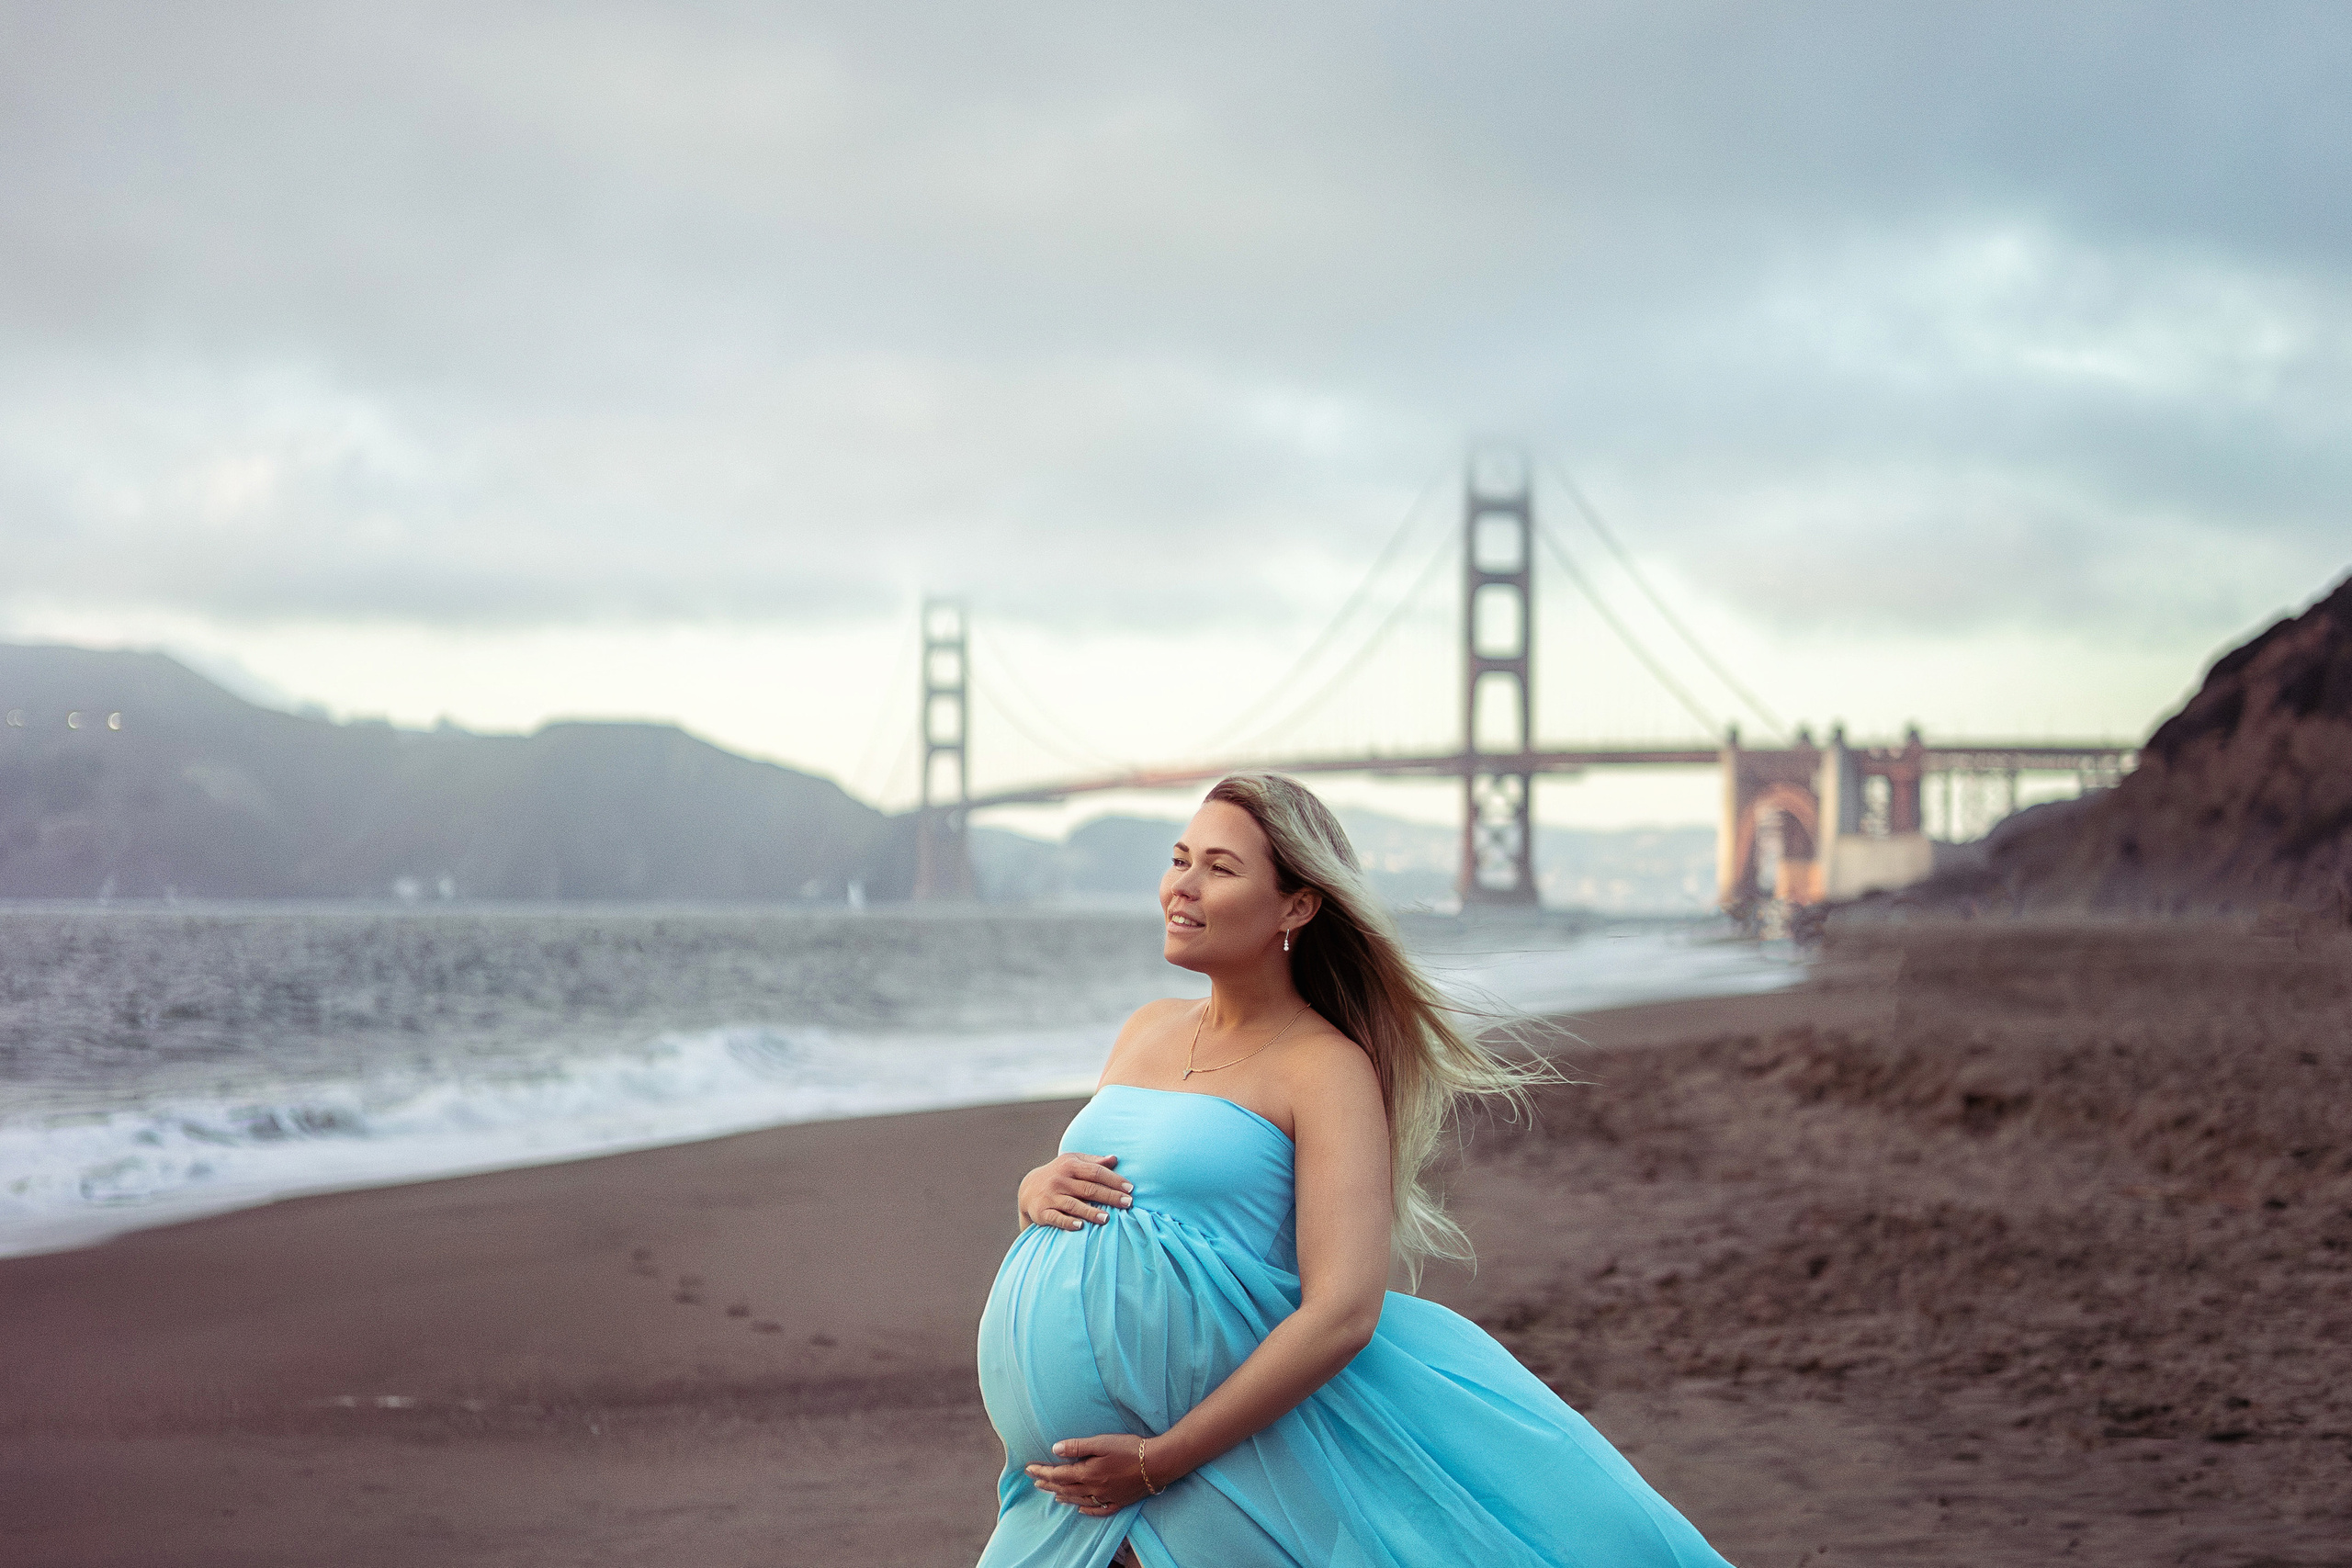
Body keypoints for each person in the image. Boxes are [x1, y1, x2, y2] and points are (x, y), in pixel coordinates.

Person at [974, 773, 1734, 1568]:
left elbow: (1342, 1310)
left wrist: (1160, 1460)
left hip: (1193, 1470)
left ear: (1298, 905)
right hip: (1060, 1490)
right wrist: (1035, 1189)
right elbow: (1125, 1194)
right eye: (1178, 858)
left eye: (1220, 868)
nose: (1183, 886)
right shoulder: (1145, 1029)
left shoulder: (1325, 1068)